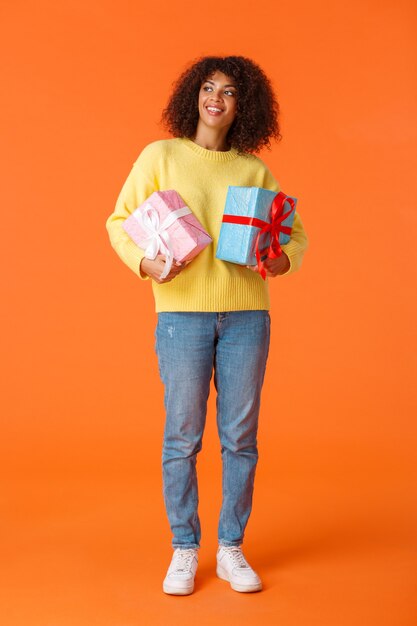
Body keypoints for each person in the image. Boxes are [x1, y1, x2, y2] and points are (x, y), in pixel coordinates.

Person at [106, 55, 308, 596]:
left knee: (240, 438)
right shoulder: (160, 156)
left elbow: (294, 239)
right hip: (180, 317)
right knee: (182, 437)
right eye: (207, 87)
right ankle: (184, 548)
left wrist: (275, 258)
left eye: (230, 91)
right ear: (193, 96)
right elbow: (120, 221)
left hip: (247, 316)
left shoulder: (253, 169)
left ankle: (231, 548)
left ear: (246, 106)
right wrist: (147, 264)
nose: (216, 97)